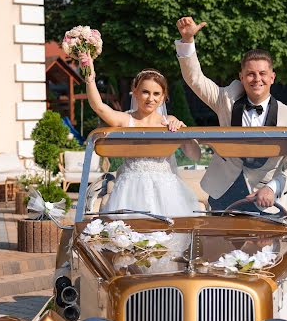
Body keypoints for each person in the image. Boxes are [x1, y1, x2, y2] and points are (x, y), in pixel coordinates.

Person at [175, 17, 287, 212]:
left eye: (262, 73)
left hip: (265, 198)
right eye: (251, 74)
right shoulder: (225, 100)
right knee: (219, 242)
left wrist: (272, 188)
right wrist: (187, 41)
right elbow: (195, 79)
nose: (257, 79)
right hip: (223, 191)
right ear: (241, 77)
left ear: (272, 77)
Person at [79, 51, 201, 217]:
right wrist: (90, 77)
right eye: (145, 92)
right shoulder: (126, 120)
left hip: (165, 192)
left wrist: (183, 132)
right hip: (130, 191)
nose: (151, 98)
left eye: (156, 93)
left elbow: (195, 156)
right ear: (135, 92)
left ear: (163, 97)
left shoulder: (169, 121)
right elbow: (99, 107)